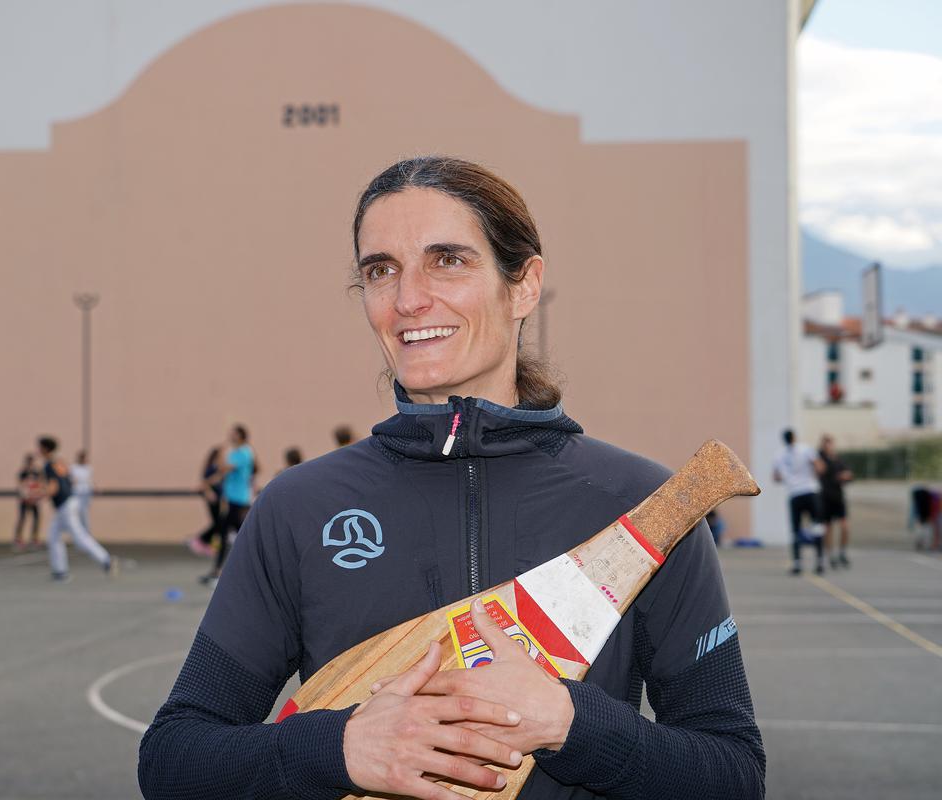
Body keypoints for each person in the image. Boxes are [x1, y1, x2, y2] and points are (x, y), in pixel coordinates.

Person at [139, 157, 764, 799]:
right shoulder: (299, 507)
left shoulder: (637, 504)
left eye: (448, 260)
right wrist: (339, 747)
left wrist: (572, 725)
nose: (409, 299)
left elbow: (733, 774)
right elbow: (174, 760)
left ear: (523, 286)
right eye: (381, 270)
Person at [38, 436, 117, 581]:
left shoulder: (49, 465)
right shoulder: (60, 462)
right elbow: (70, 480)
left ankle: (106, 560)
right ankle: (60, 571)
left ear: (45, 449)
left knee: (79, 537)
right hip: (68, 503)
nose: (38, 450)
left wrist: (38, 495)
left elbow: (53, 488)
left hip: (65, 506)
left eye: (40, 447)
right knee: (53, 536)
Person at [199, 425, 255, 588]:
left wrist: (221, 452)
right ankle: (217, 570)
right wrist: (208, 482)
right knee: (236, 534)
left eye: (234, 434)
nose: (230, 436)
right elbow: (222, 474)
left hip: (240, 499)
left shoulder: (244, 452)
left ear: (241, 436)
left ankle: (218, 571)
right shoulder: (235, 452)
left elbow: (223, 467)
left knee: (227, 532)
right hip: (231, 498)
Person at [773, 428, 826, 575]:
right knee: (817, 527)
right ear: (795, 437)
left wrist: (789, 478)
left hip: (794, 493)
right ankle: (820, 560)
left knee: (795, 530)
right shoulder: (806, 449)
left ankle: (797, 563)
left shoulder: (779, 455)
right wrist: (813, 476)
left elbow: (776, 477)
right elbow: (819, 466)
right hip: (810, 490)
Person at [817, 435, 853, 568]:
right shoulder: (820, 458)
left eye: (830, 444)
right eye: (826, 444)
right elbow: (819, 471)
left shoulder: (838, 459)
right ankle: (830, 554)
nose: (829, 447)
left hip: (838, 497)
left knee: (845, 527)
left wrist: (846, 476)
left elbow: (848, 474)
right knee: (828, 528)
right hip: (825, 497)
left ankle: (842, 552)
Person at [188, 446, 225, 558]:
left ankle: (210, 544)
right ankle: (200, 539)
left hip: (218, 498)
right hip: (212, 499)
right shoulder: (212, 468)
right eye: (221, 456)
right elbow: (205, 482)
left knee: (218, 523)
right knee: (217, 523)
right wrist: (209, 493)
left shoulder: (218, 468)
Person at [13, 454, 43, 552]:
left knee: (36, 519)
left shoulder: (36, 472)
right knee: (22, 519)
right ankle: (18, 539)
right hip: (24, 500)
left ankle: (34, 539)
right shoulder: (23, 473)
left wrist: (35, 497)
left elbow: (39, 484)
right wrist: (26, 497)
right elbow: (21, 486)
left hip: (34, 500)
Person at [71, 449, 94, 534]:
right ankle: (78, 534)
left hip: (86, 493)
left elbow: (89, 481)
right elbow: (72, 480)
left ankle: (86, 534)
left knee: (84, 514)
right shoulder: (73, 467)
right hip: (76, 493)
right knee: (76, 514)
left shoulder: (88, 468)